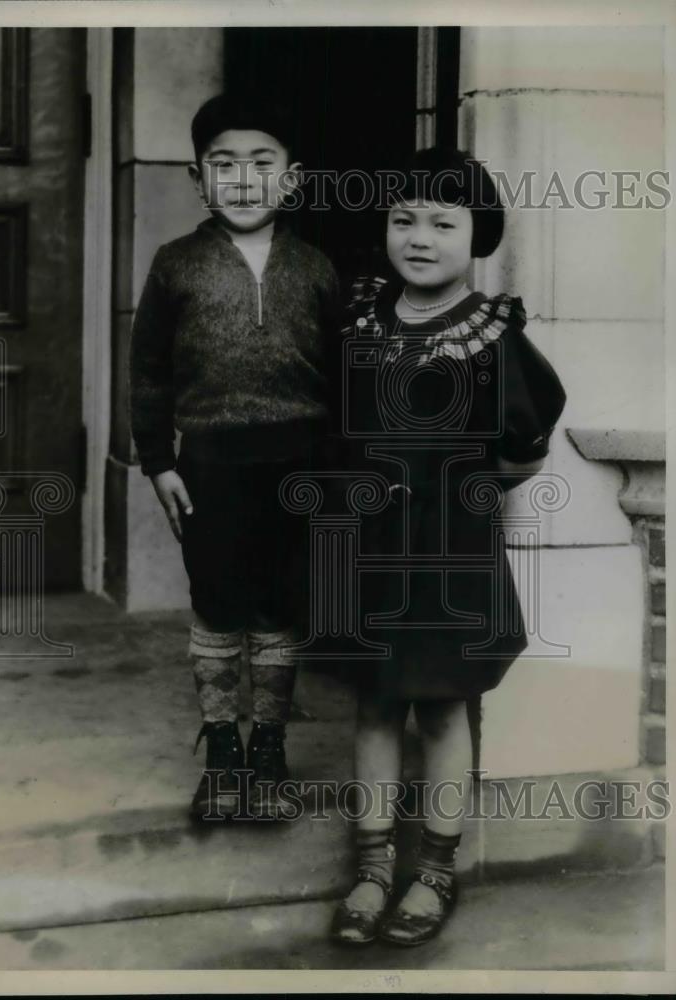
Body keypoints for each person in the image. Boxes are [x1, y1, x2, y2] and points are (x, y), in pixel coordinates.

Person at [329, 147, 566, 946]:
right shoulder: (360, 320)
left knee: (439, 705)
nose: (418, 237)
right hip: (366, 544)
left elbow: (523, 450)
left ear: (478, 235)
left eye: (441, 220)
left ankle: (433, 867)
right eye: (403, 220)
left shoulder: (493, 336)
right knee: (373, 701)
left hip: (447, 548)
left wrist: (455, 487)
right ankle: (368, 863)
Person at [129, 93, 340, 822]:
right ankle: (222, 749)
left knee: (280, 609)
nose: (243, 180)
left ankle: (269, 751)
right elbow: (149, 370)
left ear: (292, 179)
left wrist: (336, 471)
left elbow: (342, 376)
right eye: (223, 164)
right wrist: (158, 462)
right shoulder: (175, 265)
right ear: (197, 179)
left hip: (298, 465)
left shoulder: (316, 268)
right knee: (218, 605)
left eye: (261, 163)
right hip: (209, 467)